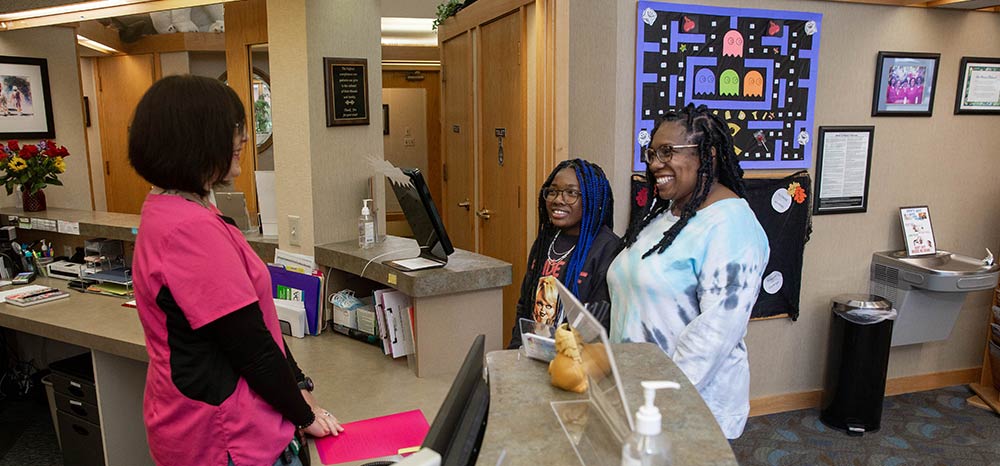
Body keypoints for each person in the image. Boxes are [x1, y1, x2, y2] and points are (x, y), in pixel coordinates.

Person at [128, 75, 343, 466]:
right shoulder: (189, 231)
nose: (242, 140)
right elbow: (251, 349)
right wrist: (305, 414)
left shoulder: (177, 209)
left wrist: (297, 385)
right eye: (233, 130)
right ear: (196, 138)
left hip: (203, 421)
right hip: (226, 437)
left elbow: (258, 327)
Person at [608, 103, 769, 439]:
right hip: (637, 393)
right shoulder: (666, 214)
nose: (655, 164)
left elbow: (713, 335)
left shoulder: (731, 225)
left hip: (689, 409)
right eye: (652, 153)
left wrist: (658, 405)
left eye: (668, 152)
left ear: (707, 156)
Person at [507, 158, 618, 349]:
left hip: (574, 361)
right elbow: (525, 305)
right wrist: (514, 351)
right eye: (553, 191)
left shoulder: (607, 248)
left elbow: (597, 324)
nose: (558, 200)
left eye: (571, 193)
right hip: (534, 352)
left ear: (593, 198)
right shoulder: (545, 242)